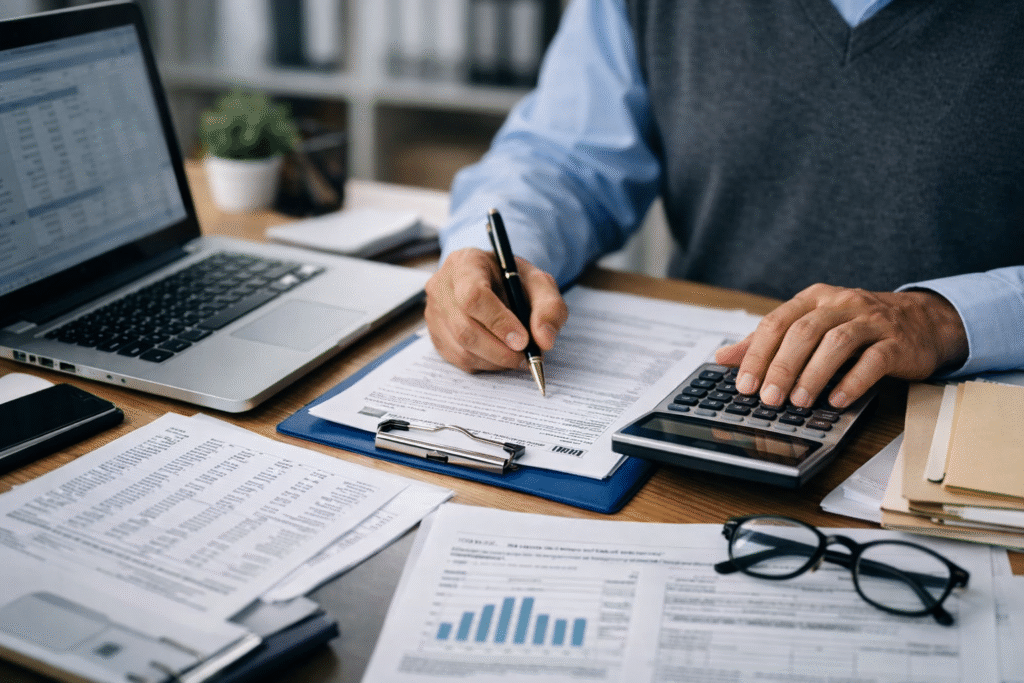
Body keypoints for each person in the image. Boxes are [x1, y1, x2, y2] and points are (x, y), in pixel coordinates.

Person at [424, 0, 1024, 411]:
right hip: (723, 383)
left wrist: (945, 320)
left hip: (962, 411)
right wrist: (487, 255)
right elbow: (566, 156)